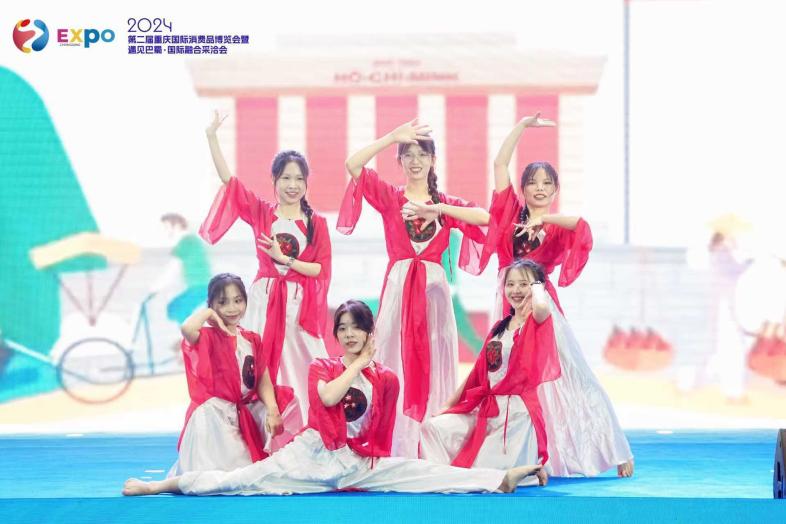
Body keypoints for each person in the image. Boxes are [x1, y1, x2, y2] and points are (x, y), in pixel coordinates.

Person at [123, 300, 542, 496]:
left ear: (369, 331)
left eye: (356, 327)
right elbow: (326, 399)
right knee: (241, 481)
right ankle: (159, 485)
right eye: (342, 328)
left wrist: (366, 458)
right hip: (311, 458)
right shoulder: (322, 366)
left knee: (423, 475)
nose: (349, 333)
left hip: (356, 465)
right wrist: (357, 366)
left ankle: (500, 480)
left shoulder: (387, 379)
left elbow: (379, 433)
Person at [471, 114, 633, 477]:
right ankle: (525, 455)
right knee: (507, 376)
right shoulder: (509, 214)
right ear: (523, 189)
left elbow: (582, 228)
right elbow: (499, 164)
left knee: (572, 375)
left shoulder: (558, 229)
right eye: (532, 182)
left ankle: (615, 449)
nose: (539, 188)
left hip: (543, 305)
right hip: (507, 302)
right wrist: (521, 127)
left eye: (547, 183)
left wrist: (544, 220)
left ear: (556, 190)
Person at [337, 120, 487, 458]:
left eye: (422, 155)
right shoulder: (391, 198)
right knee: (392, 359)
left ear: (434, 160)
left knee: (435, 363)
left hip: (433, 297)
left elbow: (485, 218)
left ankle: (431, 444)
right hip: (399, 292)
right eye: (408, 155)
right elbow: (353, 164)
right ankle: (394, 443)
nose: (415, 161)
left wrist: (439, 210)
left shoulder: (445, 204)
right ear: (400, 161)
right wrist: (391, 137)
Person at [199, 111, 332, 422]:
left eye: (299, 179)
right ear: (274, 180)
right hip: (265, 300)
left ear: (306, 183)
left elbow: (320, 270)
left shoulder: (317, 223)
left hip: (298, 304)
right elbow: (229, 182)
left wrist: (285, 259)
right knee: (259, 364)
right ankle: (263, 425)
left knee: (309, 364)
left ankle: (311, 425)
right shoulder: (262, 213)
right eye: (286, 178)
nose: (292, 185)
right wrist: (212, 136)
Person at [421, 260, 558, 486]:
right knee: (433, 428)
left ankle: (530, 470)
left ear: (536, 287)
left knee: (485, 477)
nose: (515, 290)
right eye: (510, 284)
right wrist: (449, 405)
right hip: (487, 410)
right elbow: (477, 374)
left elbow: (542, 306)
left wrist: (537, 286)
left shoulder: (537, 322)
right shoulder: (500, 328)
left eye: (523, 284)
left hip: (515, 416)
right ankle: (441, 480)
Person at [170, 273, 301, 475]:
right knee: (220, 477)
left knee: (287, 401)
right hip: (215, 416)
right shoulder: (207, 336)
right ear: (211, 304)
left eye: (238, 301)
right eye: (223, 302)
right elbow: (187, 328)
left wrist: (272, 410)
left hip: (241, 411)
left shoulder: (251, 339)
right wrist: (209, 314)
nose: (232, 308)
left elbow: (262, 379)